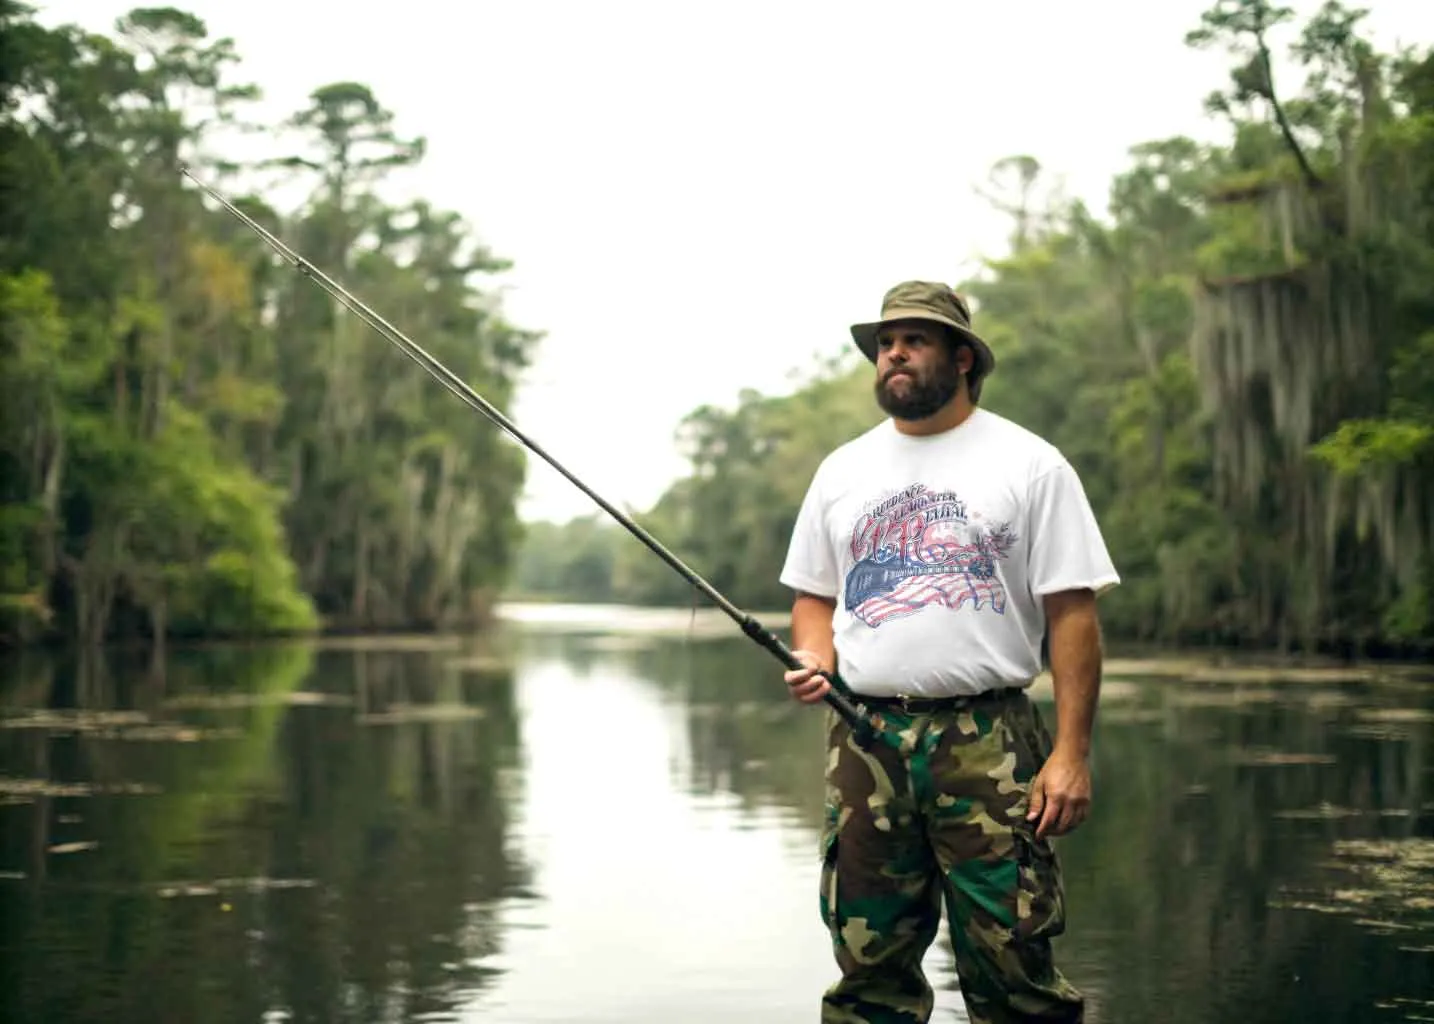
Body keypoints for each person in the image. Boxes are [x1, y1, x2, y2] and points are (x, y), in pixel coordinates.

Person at [778, 280, 1120, 1024]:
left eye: (914, 340)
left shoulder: (1031, 464)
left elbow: (1072, 611)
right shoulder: (842, 471)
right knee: (869, 970)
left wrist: (1070, 754)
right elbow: (813, 597)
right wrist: (815, 658)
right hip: (863, 739)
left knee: (1013, 965)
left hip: (988, 739)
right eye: (883, 344)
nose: (892, 353)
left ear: (963, 358)